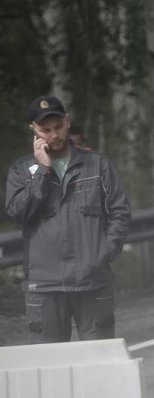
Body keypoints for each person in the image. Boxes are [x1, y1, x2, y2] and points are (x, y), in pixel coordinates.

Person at [4, 95, 131, 342]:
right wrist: (43, 171)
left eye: (58, 127)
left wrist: (106, 250)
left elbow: (120, 211)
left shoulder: (97, 165)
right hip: (44, 287)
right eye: (45, 130)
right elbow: (18, 212)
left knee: (98, 362)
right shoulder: (21, 171)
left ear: (68, 122)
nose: (53, 135)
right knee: (49, 367)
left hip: (92, 282)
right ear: (33, 130)